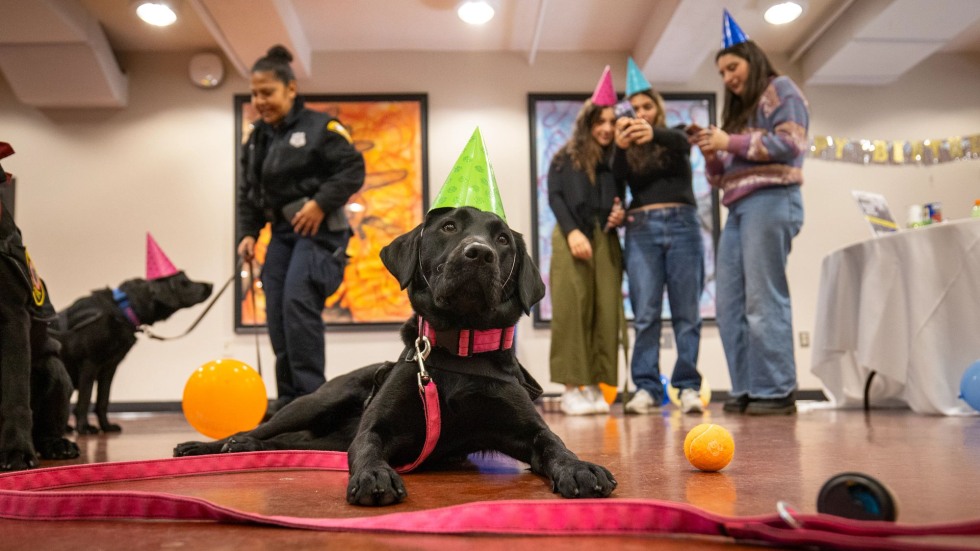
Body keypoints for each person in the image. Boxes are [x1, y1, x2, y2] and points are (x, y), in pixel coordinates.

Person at [237, 45, 365, 416]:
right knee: (276, 310)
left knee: (297, 303)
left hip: (321, 233)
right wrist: (247, 233)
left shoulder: (320, 128)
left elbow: (352, 169)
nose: (259, 101)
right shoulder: (256, 139)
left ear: (290, 89)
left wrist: (319, 203)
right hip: (282, 233)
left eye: (267, 92)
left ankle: (313, 405)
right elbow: (249, 193)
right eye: (255, 93)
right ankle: (288, 403)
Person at [693, 12, 808, 415]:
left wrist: (732, 140)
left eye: (733, 67)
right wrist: (713, 155)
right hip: (739, 206)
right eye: (722, 71)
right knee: (729, 304)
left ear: (752, 61)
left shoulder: (782, 89)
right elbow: (722, 177)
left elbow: (791, 142)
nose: (727, 77)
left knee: (763, 298)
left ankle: (775, 390)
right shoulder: (739, 112)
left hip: (773, 199)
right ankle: (745, 388)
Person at [612, 61, 705, 415]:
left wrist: (654, 133)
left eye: (646, 107)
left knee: (687, 312)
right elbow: (616, 181)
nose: (640, 114)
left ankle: (688, 387)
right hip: (642, 229)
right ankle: (647, 387)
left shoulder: (674, 135)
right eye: (634, 110)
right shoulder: (626, 149)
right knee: (646, 312)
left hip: (684, 225)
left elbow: (683, 142)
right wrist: (620, 147)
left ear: (658, 109)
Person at [548, 67, 626, 415]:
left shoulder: (616, 160)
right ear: (588, 122)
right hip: (572, 237)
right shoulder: (566, 157)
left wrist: (621, 213)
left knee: (605, 310)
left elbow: (623, 199)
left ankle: (595, 385)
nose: (607, 128)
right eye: (601, 121)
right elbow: (555, 196)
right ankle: (569, 389)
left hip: (605, 239)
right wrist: (572, 231)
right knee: (572, 308)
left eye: (612, 121)